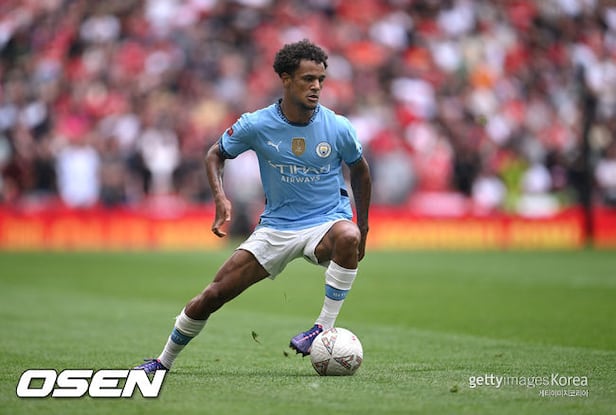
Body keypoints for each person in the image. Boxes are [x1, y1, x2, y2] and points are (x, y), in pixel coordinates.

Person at [135, 39, 372, 373]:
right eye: (308, 79)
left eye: (320, 79)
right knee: (214, 294)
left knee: (348, 236)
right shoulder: (257, 124)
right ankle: (162, 362)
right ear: (286, 79)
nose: (316, 87)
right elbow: (215, 154)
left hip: (326, 221)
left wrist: (363, 226)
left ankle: (321, 328)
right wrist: (220, 198)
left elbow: (360, 170)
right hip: (277, 227)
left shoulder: (338, 127)